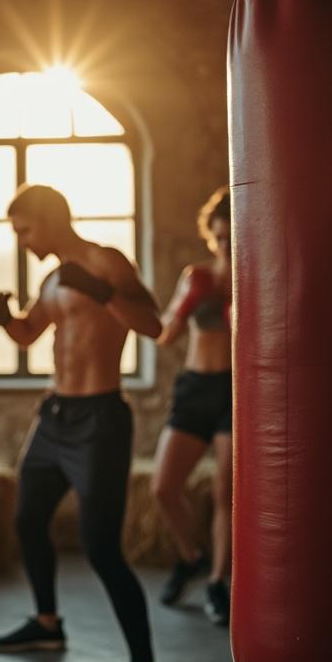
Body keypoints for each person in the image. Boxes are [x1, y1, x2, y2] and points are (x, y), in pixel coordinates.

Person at [0, 184, 171, 662]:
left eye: (25, 230)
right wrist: (5, 319)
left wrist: (102, 291)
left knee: (101, 547)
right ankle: (47, 623)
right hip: (55, 416)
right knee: (27, 518)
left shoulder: (105, 262)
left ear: (49, 219)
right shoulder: (52, 279)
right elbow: (30, 333)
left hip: (99, 420)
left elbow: (153, 325)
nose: (22, 242)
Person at [151, 186, 233, 625]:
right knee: (163, 488)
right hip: (195, 388)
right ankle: (191, 557)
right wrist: (182, 305)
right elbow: (166, 335)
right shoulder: (197, 276)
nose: (225, 246)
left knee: (226, 492)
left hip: (234, 392)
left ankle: (219, 582)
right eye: (218, 238)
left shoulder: (257, 277)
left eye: (231, 237)